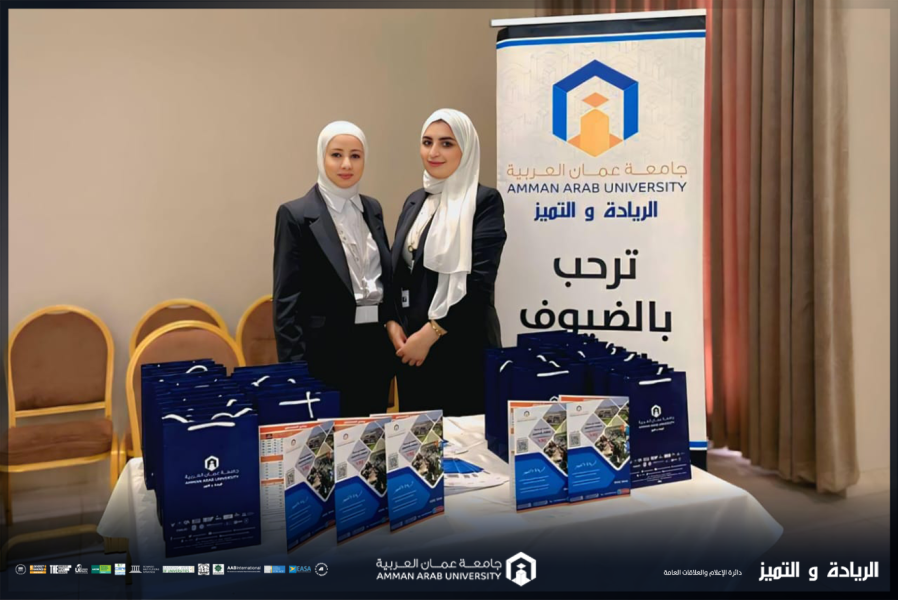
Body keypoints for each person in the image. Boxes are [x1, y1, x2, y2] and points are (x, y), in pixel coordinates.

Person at [385, 109, 507, 416]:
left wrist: (431, 334)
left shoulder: (483, 202)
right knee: (419, 440)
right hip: (412, 352)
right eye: (427, 142)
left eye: (447, 143)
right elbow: (399, 273)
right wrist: (392, 322)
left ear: (466, 149)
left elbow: (479, 282)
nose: (434, 152)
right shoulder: (415, 200)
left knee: (466, 442)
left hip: (461, 349)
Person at [273, 121, 394, 417]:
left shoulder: (373, 209)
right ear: (321, 157)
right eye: (336, 154)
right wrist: (295, 372)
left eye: (355, 156)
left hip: (373, 349)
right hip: (324, 355)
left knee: (372, 437)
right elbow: (286, 303)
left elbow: (384, 279)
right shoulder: (295, 215)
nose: (346, 164)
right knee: (329, 440)